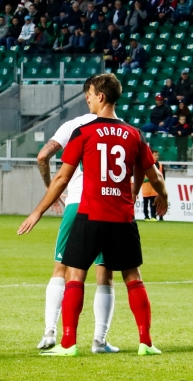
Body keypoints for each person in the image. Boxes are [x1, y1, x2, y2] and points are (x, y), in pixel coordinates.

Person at [18, 73, 168, 357]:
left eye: (89, 95)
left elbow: (62, 178)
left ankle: (68, 344)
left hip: (90, 214)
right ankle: (145, 342)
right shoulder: (134, 134)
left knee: (75, 275)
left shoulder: (83, 131)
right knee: (132, 277)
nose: (87, 99)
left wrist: (38, 211)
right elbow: (155, 176)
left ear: (100, 96)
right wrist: (164, 197)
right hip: (122, 218)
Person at [33, 87, 120, 354]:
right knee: (104, 273)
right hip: (107, 206)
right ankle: (99, 341)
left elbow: (42, 156)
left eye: (88, 96)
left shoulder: (74, 125)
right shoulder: (121, 128)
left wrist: (51, 188)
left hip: (76, 203)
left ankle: (50, 332)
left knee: (62, 268)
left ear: (96, 96)